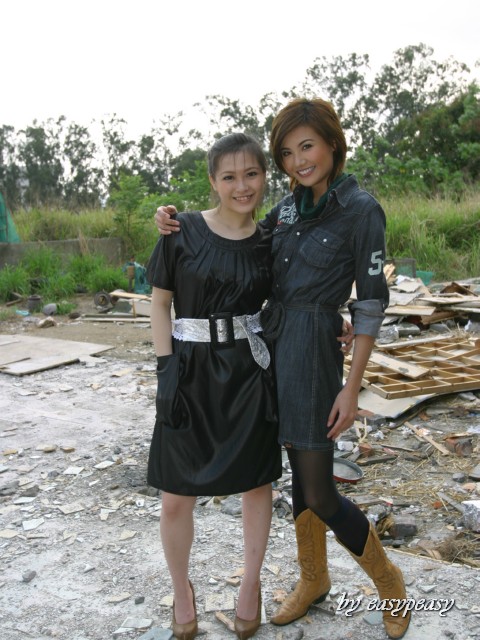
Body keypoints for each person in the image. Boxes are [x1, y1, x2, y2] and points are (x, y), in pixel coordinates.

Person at [155, 98, 411, 640]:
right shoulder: (288, 210)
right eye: (289, 153)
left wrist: (351, 385)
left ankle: (390, 583)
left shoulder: (360, 209)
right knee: (292, 476)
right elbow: (236, 234)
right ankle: (313, 579)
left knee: (318, 490)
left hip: (312, 354)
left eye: (308, 146)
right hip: (265, 348)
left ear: (333, 144)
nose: (299, 161)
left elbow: (371, 302)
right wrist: (173, 220)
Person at [147, 132, 282, 640]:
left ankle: (250, 585)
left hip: (249, 371)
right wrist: (165, 370)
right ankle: (182, 591)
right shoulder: (180, 229)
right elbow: (160, 302)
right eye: (229, 176)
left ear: (265, 176)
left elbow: (291, 298)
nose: (241, 186)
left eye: (251, 174)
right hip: (190, 371)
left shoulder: (271, 240)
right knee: (175, 495)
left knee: (256, 482)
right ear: (213, 181)